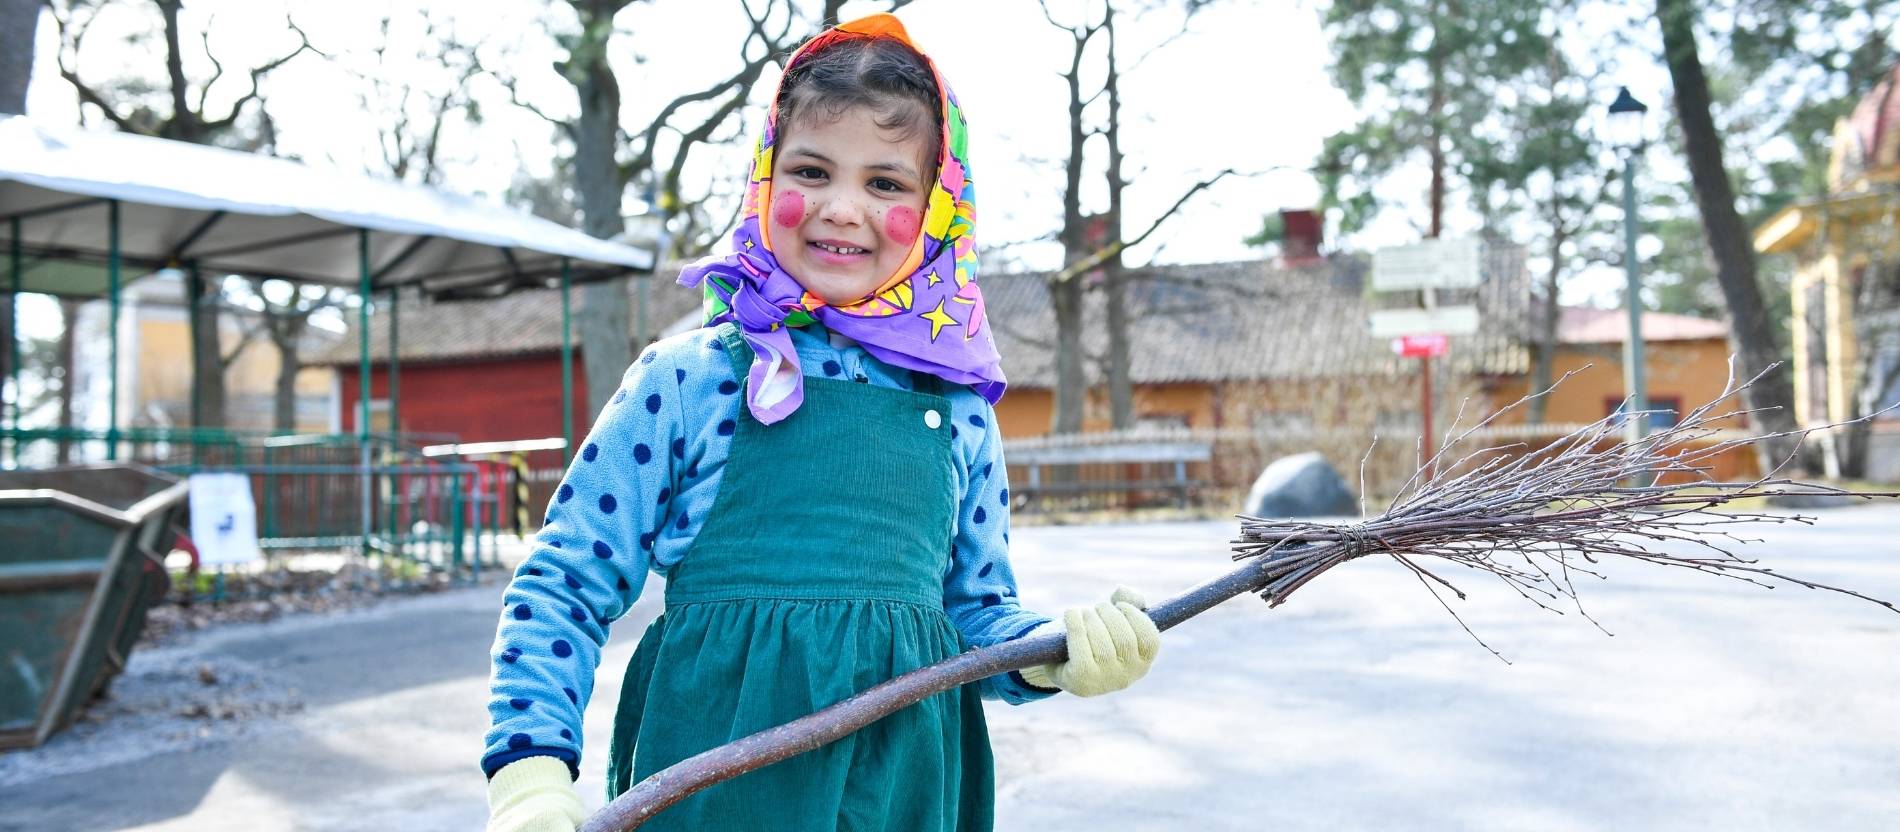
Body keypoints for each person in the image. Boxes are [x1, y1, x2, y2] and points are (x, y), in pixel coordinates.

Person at [482, 14, 1160, 832]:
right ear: (767, 178)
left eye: (885, 184)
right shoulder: (691, 381)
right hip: (713, 799)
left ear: (939, 205)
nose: (842, 208)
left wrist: (1053, 654)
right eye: (811, 170)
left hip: (907, 796)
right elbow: (565, 581)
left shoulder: (959, 409)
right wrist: (528, 769)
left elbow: (975, 619)